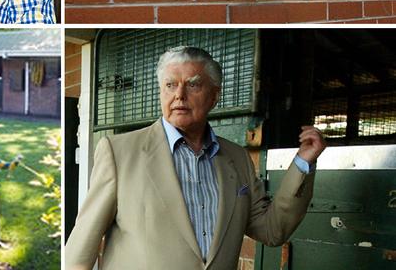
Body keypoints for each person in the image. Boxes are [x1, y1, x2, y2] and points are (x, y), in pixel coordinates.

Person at [65, 46, 326, 270]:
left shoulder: (237, 158)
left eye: (193, 84)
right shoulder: (119, 151)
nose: (179, 94)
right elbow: (81, 250)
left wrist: (303, 162)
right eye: (170, 85)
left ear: (214, 96)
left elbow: (272, 230)